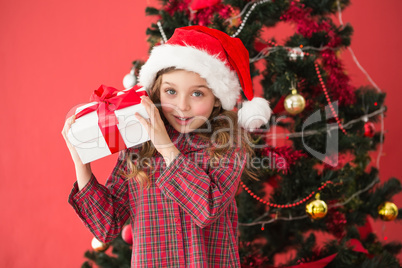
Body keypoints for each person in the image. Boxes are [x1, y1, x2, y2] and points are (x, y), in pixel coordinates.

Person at [62, 26, 271, 267]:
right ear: (156, 93)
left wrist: (166, 147)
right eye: (171, 91)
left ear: (216, 101)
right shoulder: (138, 146)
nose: (182, 106)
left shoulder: (228, 145)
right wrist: (82, 164)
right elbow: (106, 226)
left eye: (197, 94)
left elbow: (207, 210)